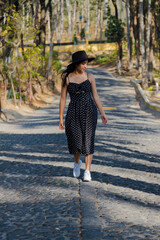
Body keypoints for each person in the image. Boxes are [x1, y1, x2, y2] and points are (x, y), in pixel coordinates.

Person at [59, 50, 108, 182]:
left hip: (89, 111)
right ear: (76, 64)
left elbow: (95, 96)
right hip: (73, 111)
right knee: (75, 140)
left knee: (88, 140)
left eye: (86, 63)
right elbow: (63, 99)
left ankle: (87, 171)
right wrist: (60, 118)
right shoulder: (67, 79)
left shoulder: (90, 77)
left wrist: (102, 113)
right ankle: (77, 163)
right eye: (83, 64)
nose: (85, 66)